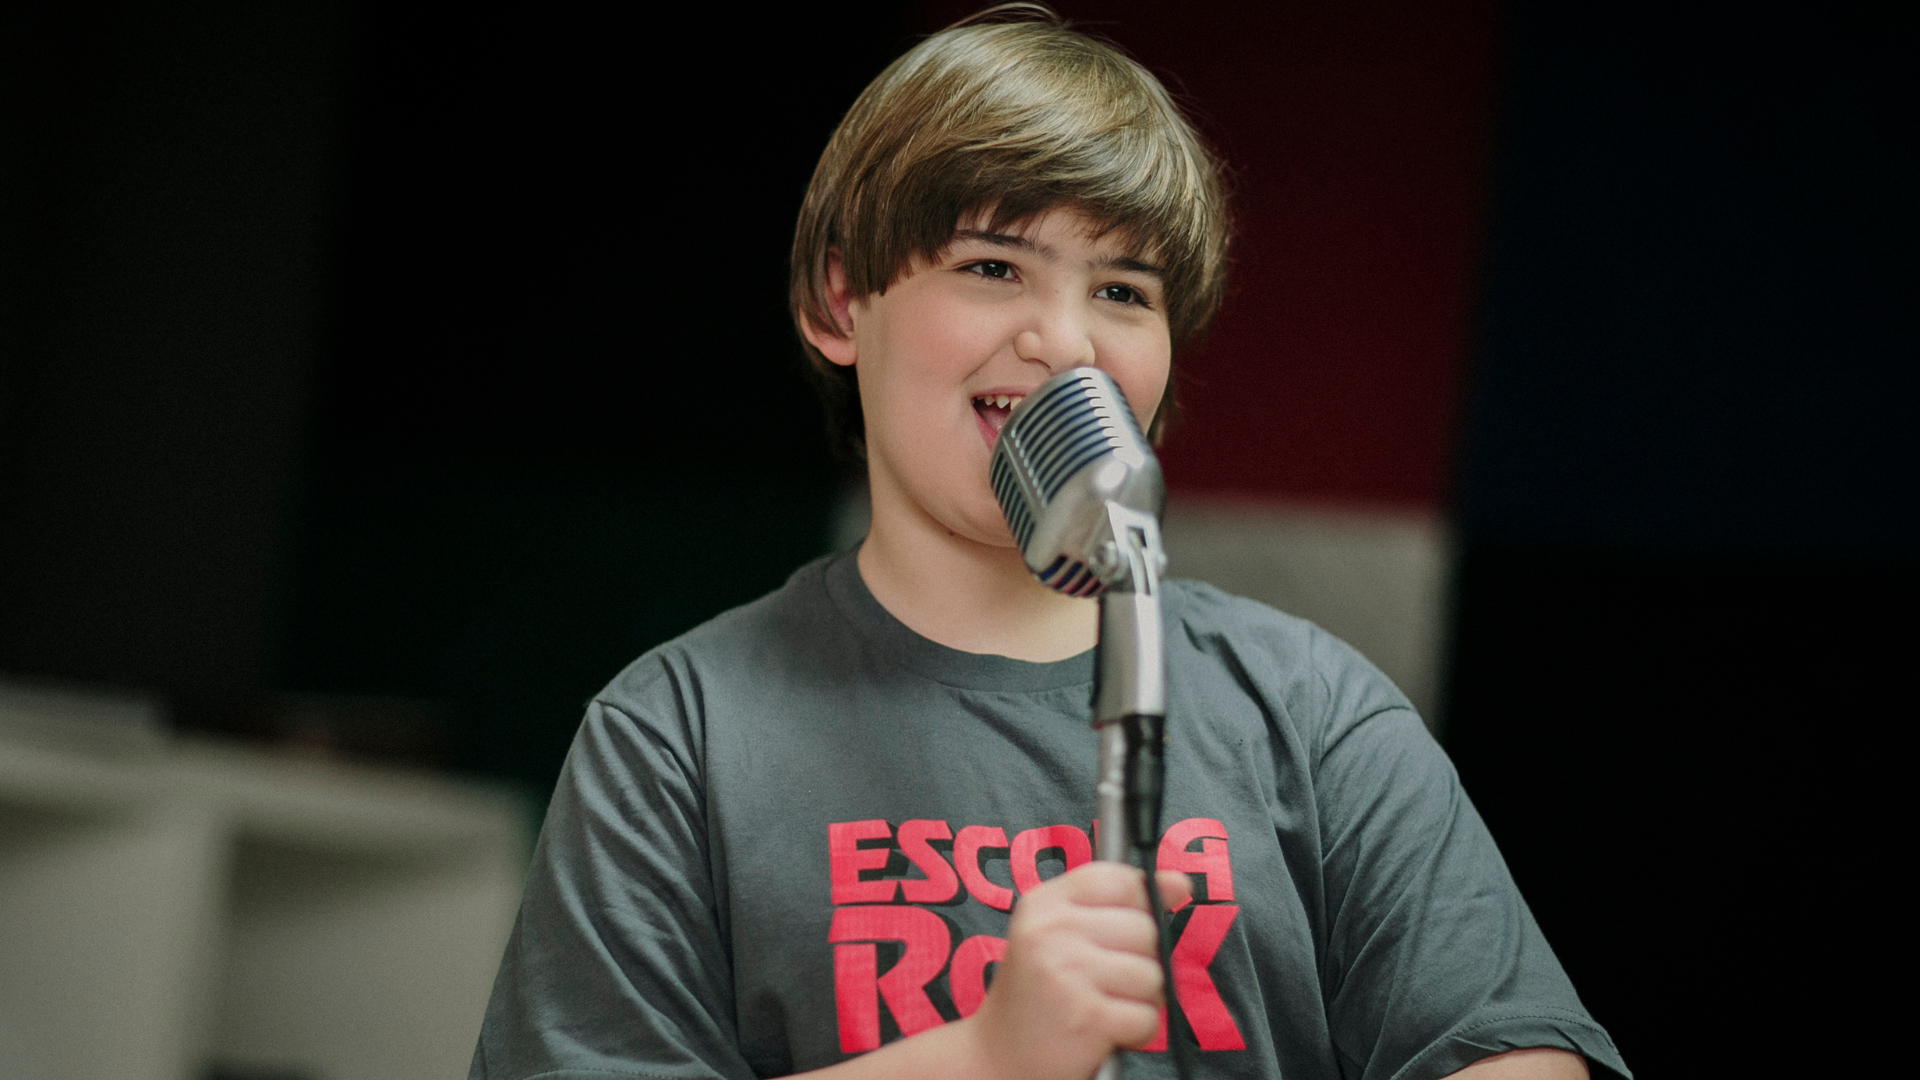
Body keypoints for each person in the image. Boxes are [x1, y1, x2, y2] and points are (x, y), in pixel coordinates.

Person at [469, 8, 1629, 1079]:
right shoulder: (679, 737)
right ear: (838, 305)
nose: (1065, 341)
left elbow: (1511, 1052)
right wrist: (983, 1060)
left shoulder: (1316, 711)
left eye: (1124, 291)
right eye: (992, 267)